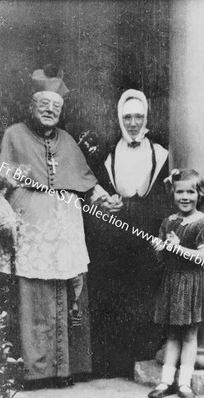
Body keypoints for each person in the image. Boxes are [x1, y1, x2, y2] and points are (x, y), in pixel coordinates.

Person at [0, 65, 118, 389]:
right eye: (43, 106)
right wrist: (20, 172)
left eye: (55, 108)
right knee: (35, 297)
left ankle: (66, 370)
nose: (49, 111)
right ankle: (35, 372)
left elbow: (85, 180)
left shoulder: (68, 140)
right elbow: (0, 173)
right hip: (32, 230)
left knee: (70, 291)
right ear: (31, 107)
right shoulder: (14, 134)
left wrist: (104, 197)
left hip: (66, 229)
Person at [85, 89, 170, 378]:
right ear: (120, 119)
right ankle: (115, 364)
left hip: (147, 234)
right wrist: (109, 200)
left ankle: (144, 357)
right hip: (116, 237)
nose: (133, 123)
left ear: (146, 118)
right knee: (115, 295)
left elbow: (163, 198)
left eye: (138, 116)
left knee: (145, 294)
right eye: (127, 117)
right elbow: (96, 192)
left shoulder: (160, 154)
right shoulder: (108, 154)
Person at [148, 169, 204, 398]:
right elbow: (166, 259)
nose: (185, 196)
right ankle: (165, 381)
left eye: (191, 191)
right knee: (172, 333)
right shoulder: (169, 222)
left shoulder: (203, 223)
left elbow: (203, 258)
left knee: (189, 334)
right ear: (173, 194)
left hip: (194, 283)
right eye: (180, 192)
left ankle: (184, 383)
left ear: (199, 194)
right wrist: (160, 250)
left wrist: (176, 248)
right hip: (173, 282)